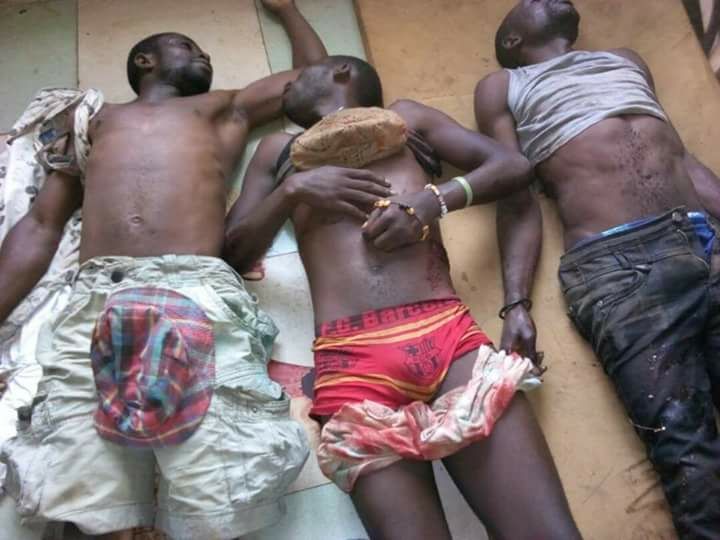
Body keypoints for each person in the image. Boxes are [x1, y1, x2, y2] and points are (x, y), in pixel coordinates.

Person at [0, 1, 389, 538]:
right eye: (188, 47)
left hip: (196, 289)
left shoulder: (223, 108)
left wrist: (288, 10)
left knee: (218, 479)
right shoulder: (94, 120)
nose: (203, 54)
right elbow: (42, 225)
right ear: (145, 61)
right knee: (81, 479)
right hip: (98, 294)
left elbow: (314, 79)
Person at [225, 54, 582, 540]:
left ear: (342, 71)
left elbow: (512, 166)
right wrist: (293, 190)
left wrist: (432, 202)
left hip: (449, 338)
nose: (284, 88)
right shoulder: (277, 151)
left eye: (298, 77)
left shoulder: (407, 118)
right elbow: (232, 252)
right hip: (351, 365)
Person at [475, 0, 720, 537]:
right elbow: (515, 197)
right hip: (620, 269)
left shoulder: (626, 60)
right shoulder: (505, 85)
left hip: (706, 239)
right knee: (690, 457)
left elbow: (680, 159)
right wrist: (515, 303)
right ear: (512, 40)